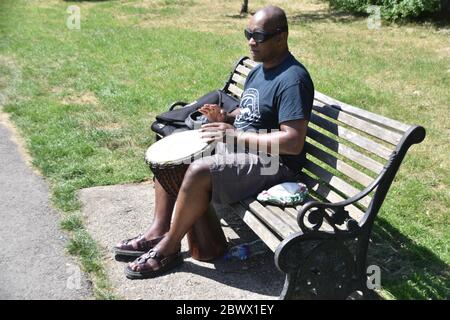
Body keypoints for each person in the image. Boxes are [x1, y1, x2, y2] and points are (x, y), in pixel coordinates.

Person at [113, 5, 315, 279]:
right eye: (248, 33)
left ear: (281, 37)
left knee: (198, 170)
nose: (251, 41)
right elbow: (249, 111)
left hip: (274, 163)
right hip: (245, 149)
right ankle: (157, 231)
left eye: (259, 36)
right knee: (175, 150)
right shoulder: (258, 71)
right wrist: (226, 117)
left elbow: (292, 141)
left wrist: (232, 135)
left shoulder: (293, 79)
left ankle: (169, 248)